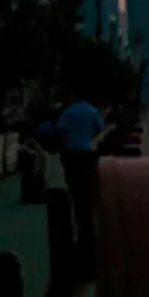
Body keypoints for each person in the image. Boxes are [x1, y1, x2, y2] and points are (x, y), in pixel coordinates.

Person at [53, 90, 111, 274]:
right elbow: (100, 127)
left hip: (71, 154)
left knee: (75, 191)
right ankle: (89, 232)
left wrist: (63, 149)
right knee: (87, 193)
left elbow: (60, 131)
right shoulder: (91, 111)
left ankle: (79, 228)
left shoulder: (68, 112)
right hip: (86, 153)